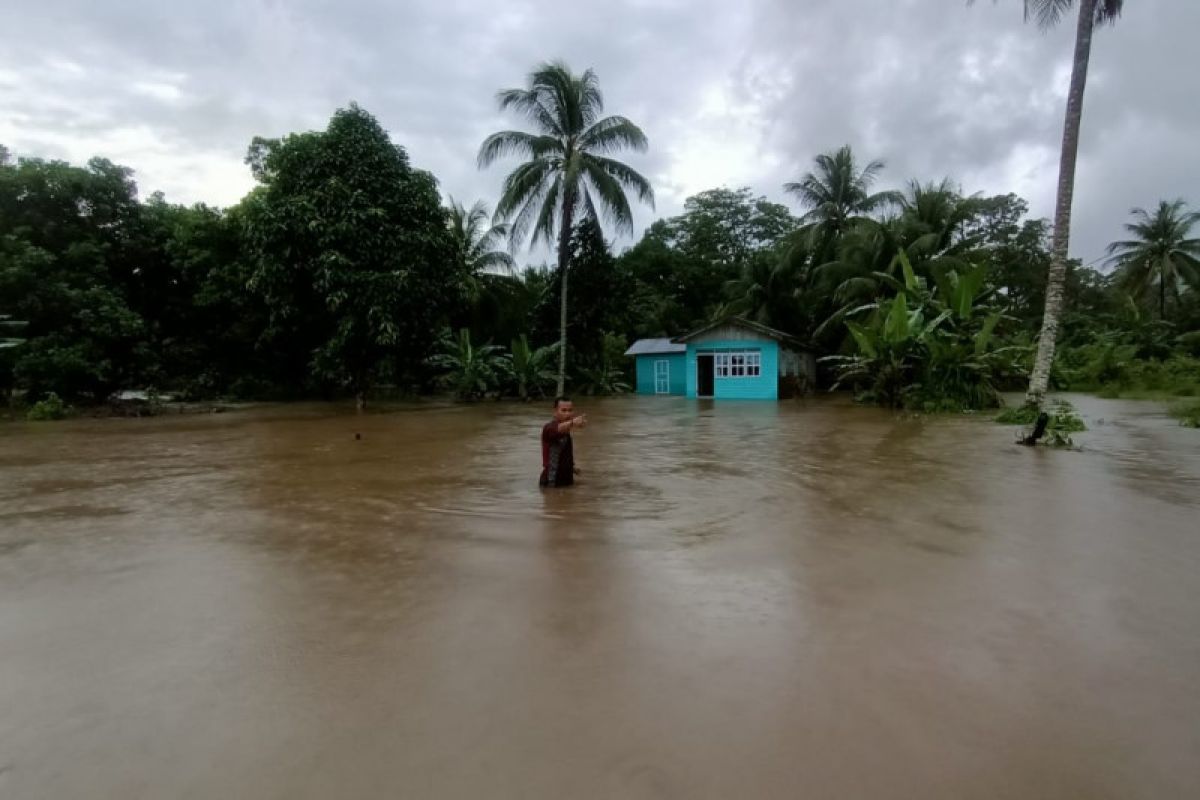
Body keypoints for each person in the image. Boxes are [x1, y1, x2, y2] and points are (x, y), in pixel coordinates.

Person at [540, 396, 586, 488]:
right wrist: (573, 422)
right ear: (555, 412)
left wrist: (572, 469)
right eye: (564, 410)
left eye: (570, 410)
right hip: (552, 482)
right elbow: (558, 429)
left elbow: (561, 454)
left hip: (566, 480)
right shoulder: (549, 428)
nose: (568, 414)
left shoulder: (567, 432)